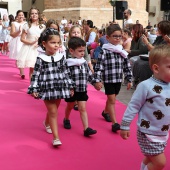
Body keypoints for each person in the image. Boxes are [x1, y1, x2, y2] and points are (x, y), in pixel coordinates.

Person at [120, 44, 170, 170]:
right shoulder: (146, 86)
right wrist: (125, 125)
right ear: (156, 68)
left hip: (162, 132)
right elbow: (133, 106)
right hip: (148, 132)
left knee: (150, 157)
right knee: (160, 163)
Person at [28, 28, 74, 146]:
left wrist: (70, 86)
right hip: (46, 88)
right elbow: (36, 75)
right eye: (53, 43)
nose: (56, 45)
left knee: (54, 110)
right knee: (53, 112)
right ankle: (56, 138)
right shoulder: (40, 59)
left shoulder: (61, 57)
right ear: (44, 44)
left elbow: (66, 72)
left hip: (59, 87)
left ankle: (46, 123)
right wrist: (34, 88)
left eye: (58, 43)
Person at [92, 24, 132, 132]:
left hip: (118, 79)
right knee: (112, 100)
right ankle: (115, 123)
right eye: (115, 36)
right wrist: (97, 80)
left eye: (119, 36)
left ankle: (105, 112)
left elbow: (126, 66)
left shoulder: (121, 51)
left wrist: (129, 79)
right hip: (109, 80)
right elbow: (99, 67)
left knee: (112, 99)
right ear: (108, 38)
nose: (118, 38)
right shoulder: (104, 51)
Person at [63, 37, 97, 137]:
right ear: (71, 51)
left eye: (84, 51)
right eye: (80, 51)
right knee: (69, 106)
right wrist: (70, 87)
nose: (83, 53)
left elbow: (89, 75)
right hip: (72, 90)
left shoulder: (84, 63)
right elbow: (66, 76)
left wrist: (95, 83)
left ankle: (86, 128)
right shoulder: (68, 63)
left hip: (82, 89)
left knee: (82, 108)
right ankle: (66, 118)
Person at [67, 25, 93, 111]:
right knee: (73, 85)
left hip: (81, 66)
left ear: (81, 34)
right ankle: (74, 101)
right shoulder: (67, 44)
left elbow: (86, 55)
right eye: (74, 32)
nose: (76, 34)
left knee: (80, 85)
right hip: (71, 68)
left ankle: (78, 101)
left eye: (78, 32)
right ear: (70, 34)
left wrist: (90, 65)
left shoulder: (82, 44)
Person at [16, 7, 46, 81]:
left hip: (41, 49)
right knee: (32, 69)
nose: (34, 15)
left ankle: (40, 85)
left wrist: (41, 43)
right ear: (30, 15)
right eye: (32, 13)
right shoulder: (27, 26)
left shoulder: (43, 26)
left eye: (36, 13)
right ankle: (32, 87)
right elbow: (22, 39)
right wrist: (31, 42)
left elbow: (46, 38)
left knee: (42, 69)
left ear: (38, 15)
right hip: (31, 49)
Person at [9, 10, 27, 79]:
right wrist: (19, 31)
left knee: (23, 57)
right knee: (20, 57)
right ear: (17, 16)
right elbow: (12, 34)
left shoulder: (26, 23)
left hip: (24, 40)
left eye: (22, 15)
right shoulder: (14, 23)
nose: (21, 16)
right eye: (19, 15)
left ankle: (20, 68)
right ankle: (22, 72)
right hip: (17, 41)